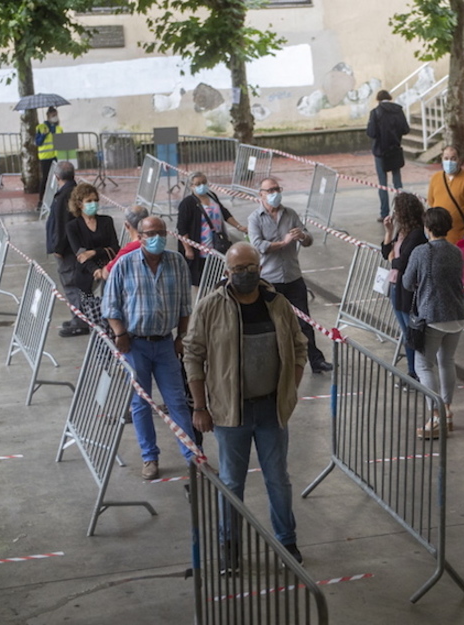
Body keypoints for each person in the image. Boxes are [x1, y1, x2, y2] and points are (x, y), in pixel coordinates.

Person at [184, 242, 308, 566]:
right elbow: (193, 354)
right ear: (227, 272)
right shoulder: (210, 307)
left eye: (251, 267)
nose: (245, 274)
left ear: (260, 268)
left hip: (271, 411)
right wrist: (200, 407)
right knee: (231, 483)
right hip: (230, 414)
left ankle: (288, 543)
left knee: (278, 480)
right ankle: (230, 547)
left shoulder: (277, 304)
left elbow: (299, 347)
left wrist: (289, 391)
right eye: (238, 269)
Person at [102, 216, 200, 480]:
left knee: (177, 401)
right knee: (141, 404)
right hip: (135, 345)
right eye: (150, 233)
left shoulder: (177, 262)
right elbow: (109, 305)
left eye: (160, 233)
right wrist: (120, 333)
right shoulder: (125, 264)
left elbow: (184, 305)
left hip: (165, 343)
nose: (156, 238)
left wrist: (182, 335)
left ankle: (192, 455)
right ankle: (150, 458)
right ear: (141, 236)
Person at [248, 176, 333, 373]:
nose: (274, 193)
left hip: (293, 277)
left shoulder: (291, 214)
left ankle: (316, 360)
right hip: (270, 280)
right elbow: (258, 246)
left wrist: (302, 236)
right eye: (270, 190)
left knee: (305, 322)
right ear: (261, 195)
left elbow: (308, 238)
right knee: (271, 324)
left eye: (277, 189)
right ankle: (271, 365)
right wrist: (284, 242)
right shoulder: (255, 219)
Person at [402, 207, 464, 438]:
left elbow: (407, 282)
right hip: (457, 315)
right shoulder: (456, 251)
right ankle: (447, 410)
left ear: (427, 228)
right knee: (447, 362)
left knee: (423, 365)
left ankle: (436, 415)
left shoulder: (421, 252)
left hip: (432, 317)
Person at [381, 192, 428, 383]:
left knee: (411, 332)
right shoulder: (401, 232)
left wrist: (394, 259)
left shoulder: (417, 234)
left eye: (397, 210)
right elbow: (386, 253)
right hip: (395, 286)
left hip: (407, 289)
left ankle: (415, 371)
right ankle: (412, 369)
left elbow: (401, 262)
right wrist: (388, 231)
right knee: (406, 332)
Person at [176, 171, 247, 286]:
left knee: (218, 275)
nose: (202, 186)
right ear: (191, 186)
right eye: (198, 184)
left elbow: (224, 213)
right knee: (201, 280)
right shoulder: (187, 203)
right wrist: (188, 248)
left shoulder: (212, 196)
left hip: (218, 245)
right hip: (200, 248)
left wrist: (238, 226)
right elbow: (182, 228)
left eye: (204, 182)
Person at [44, 162, 89, 337]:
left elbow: (63, 225)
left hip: (68, 250)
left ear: (57, 177)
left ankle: (80, 321)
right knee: (73, 284)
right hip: (72, 247)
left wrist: (58, 247)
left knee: (71, 284)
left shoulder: (64, 196)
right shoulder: (72, 192)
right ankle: (78, 317)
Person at [65, 182, 120, 298]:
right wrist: (95, 270)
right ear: (79, 204)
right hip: (87, 276)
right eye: (89, 201)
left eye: (95, 200)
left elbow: (115, 248)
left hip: (109, 271)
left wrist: (93, 252)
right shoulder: (73, 227)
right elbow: (81, 255)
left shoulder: (106, 221)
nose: (93, 204)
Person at [366, 90, 410, 222]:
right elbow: (406, 129)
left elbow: (371, 132)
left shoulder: (376, 112)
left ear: (378, 99)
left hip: (380, 152)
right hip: (395, 149)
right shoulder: (398, 110)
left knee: (382, 184)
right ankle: (401, 211)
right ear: (389, 98)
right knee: (397, 182)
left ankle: (385, 213)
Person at [426, 145, 464, 245]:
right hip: (437, 238)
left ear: (459, 160)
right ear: (442, 159)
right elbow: (430, 204)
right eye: (446, 158)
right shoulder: (435, 178)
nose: (449, 162)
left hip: (460, 239)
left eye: (453, 158)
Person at [102, 205, 149, 280]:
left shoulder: (128, 250)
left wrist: (108, 265)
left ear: (126, 225)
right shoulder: (153, 243)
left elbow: (106, 274)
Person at [35, 106, 62, 202]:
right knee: (45, 178)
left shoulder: (58, 128)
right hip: (45, 157)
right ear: (48, 116)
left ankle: (56, 199)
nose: (55, 117)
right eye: (53, 115)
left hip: (56, 157)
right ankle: (41, 200)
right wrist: (43, 135)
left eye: (56, 115)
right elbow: (37, 142)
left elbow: (63, 141)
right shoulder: (41, 127)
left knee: (58, 179)